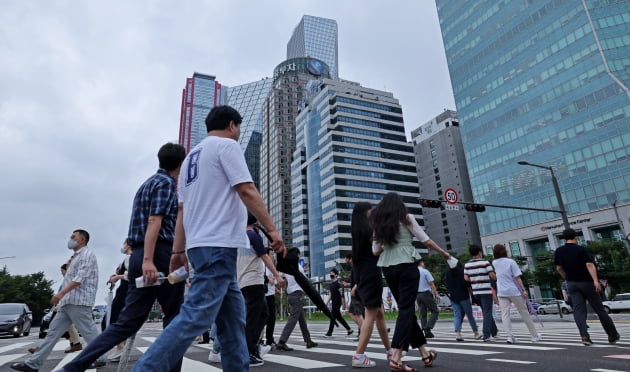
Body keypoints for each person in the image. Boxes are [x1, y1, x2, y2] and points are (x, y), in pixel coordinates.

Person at [131, 105, 285, 372]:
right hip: (218, 244)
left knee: (232, 320)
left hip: (200, 245)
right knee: (196, 315)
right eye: (238, 128)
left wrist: (179, 252)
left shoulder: (190, 158)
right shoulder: (226, 146)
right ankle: (145, 368)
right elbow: (246, 189)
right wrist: (272, 230)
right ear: (232, 125)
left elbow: (182, 211)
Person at [57, 143, 187, 372]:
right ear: (181, 163)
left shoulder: (145, 184)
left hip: (137, 255)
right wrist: (150, 259)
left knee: (126, 323)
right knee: (175, 317)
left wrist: (143, 258)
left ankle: (73, 367)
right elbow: (154, 221)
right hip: (157, 254)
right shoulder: (166, 183)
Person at [371, 192, 449, 370]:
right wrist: (444, 253)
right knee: (406, 309)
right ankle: (396, 356)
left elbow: (375, 251)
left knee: (407, 311)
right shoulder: (406, 218)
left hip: (388, 268)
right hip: (406, 265)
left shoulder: (379, 224)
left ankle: (425, 353)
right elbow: (425, 240)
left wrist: (388, 242)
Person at [12, 230, 103, 372]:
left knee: (89, 332)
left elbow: (79, 279)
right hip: (68, 302)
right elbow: (70, 278)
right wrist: (62, 300)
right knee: (52, 333)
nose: (70, 239)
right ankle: (33, 364)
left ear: (82, 240)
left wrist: (60, 294)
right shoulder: (76, 256)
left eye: (73, 237)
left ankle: (100, 357)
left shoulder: (87, 255)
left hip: (79, 301)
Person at [554, 228, 620, 345]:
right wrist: (595, 280)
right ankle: (612, 335)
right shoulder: (581, 249)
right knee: (600, 310)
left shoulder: (559, 251)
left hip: (572, 284)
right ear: (576, 237)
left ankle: (584, 336)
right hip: (587, 282)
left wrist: (566, 277)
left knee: (578, 311)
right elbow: (589, 264)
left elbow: (559, 268)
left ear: (564, 239)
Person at [237, 213, 284, 366]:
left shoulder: (239, 237)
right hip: (253, 281)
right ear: (256, 221)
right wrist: (277, 275)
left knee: (262, 314)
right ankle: (247, 352)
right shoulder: (253, 236)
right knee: (254, 317)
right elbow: (265, 257)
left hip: (243, 281)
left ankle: (252, 348)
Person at [350, 201, 391, 368]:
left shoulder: (356, 232)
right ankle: (359, 355)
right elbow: (378, 249)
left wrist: (358, 283)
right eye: (370, 210)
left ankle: (390, 351)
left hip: (363, 274)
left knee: (379, 313)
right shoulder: (370, 230)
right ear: (365, 212)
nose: (372, 212)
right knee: (371, 313)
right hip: (372, 273)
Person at [27, 262, 84, 356]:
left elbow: (70, 295)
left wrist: (60, 305)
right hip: (65, 308)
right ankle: (76, 344)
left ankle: (41, 350)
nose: (62, 274)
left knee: (52, 329)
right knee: (67, 327)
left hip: (64, 308)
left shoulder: (71, 281)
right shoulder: (68, 281)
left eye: (63, 272)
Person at [492, 244, 542, 344]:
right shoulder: (511, 262)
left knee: (505, 314)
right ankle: (534, 335)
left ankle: (510, 337)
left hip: (501, 291)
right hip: (514, 290)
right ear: (504, 251)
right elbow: (517, 277)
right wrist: (523, 290)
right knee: (524, 312)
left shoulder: (494, 262)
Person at [276, 249, 318, 351]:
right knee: (293, 319)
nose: (300, 256)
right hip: (297, 294)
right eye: (299, 255)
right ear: (297, 256)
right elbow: (304, 282)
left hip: (290, 295)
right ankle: (282, 341)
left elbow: (280, 276)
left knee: (301, 319)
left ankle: (308, 341)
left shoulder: (287, 266)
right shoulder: (298, 267)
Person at [102, 239, 132, 361]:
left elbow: (132, 275)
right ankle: (121, 348)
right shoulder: (127, 258)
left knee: (109, 321)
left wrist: (118, 276)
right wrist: (116, 275)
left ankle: (120, 348)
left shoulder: (130, 257)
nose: (123, 246)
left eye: (124, 244)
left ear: (129, 245)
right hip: (124, 292)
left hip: (125, 293)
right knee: (118, 321)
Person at [464, 244, 499, 342]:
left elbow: (466, 278)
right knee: (487, 312)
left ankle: (494, 332)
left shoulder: (467, 264)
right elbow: (492, 276)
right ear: (479, 252)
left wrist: (475, 279)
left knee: (486, 311)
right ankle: (486, 334)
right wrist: (495, 277)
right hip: (486, 291)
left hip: (476, 292)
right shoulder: (485, 262)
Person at [445, 259, 480, 341]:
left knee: (457, 315)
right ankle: (476, 333)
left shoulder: (447, 272)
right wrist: (471, 293)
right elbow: (467, 283)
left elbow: (447, 284)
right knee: (470, 315)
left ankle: (458, 333)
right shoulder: (463, 271)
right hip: (464, 296)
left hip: (453, 297)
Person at [324, 268, 354, 337]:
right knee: (339, 318)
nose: (331, 274)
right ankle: (349, 330)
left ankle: (329, 332)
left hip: (338, 302)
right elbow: (330, 295)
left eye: (332, 273)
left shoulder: (338, 283)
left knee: (332, 317)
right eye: (330, 273)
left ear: (336, 275)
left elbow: (341, 294)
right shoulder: (331, 284)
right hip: (333, 302)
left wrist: (345, 303)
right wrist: (327, 302)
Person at [416, 259, 440, 338]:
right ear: (421, 263)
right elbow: (431, 283)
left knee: (423, 313)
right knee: (435, 311)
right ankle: (428, 326)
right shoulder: (425, 271)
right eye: (423, 262)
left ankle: (426, 331)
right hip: (426, 293)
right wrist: (436, 293)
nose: (424, 264)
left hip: (418, 295)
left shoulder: (413, 272)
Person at [344, 253, 363, 341]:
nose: (346, 261)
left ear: (350, 259)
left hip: (357, 294)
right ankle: (363, 328)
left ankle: (363, 333)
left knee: (358, 315)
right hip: (354, 294)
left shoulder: (357, 267)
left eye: (346, 259)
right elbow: (355, 281)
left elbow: (360, 279)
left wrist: (354, 288)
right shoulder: (354, 268)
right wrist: (348, 284)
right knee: (350, 312)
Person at [263, 248, 279, 347]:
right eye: (272, 254)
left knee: (270, 318)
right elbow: (265, 277)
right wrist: (270, 279)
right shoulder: (264, 265)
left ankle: (269, 339)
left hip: (271, 294)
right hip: (266, 295)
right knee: (269, 318)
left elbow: (273, 281)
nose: (273, 256)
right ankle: (268, 340)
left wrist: (276, 289)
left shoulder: (271, 266)